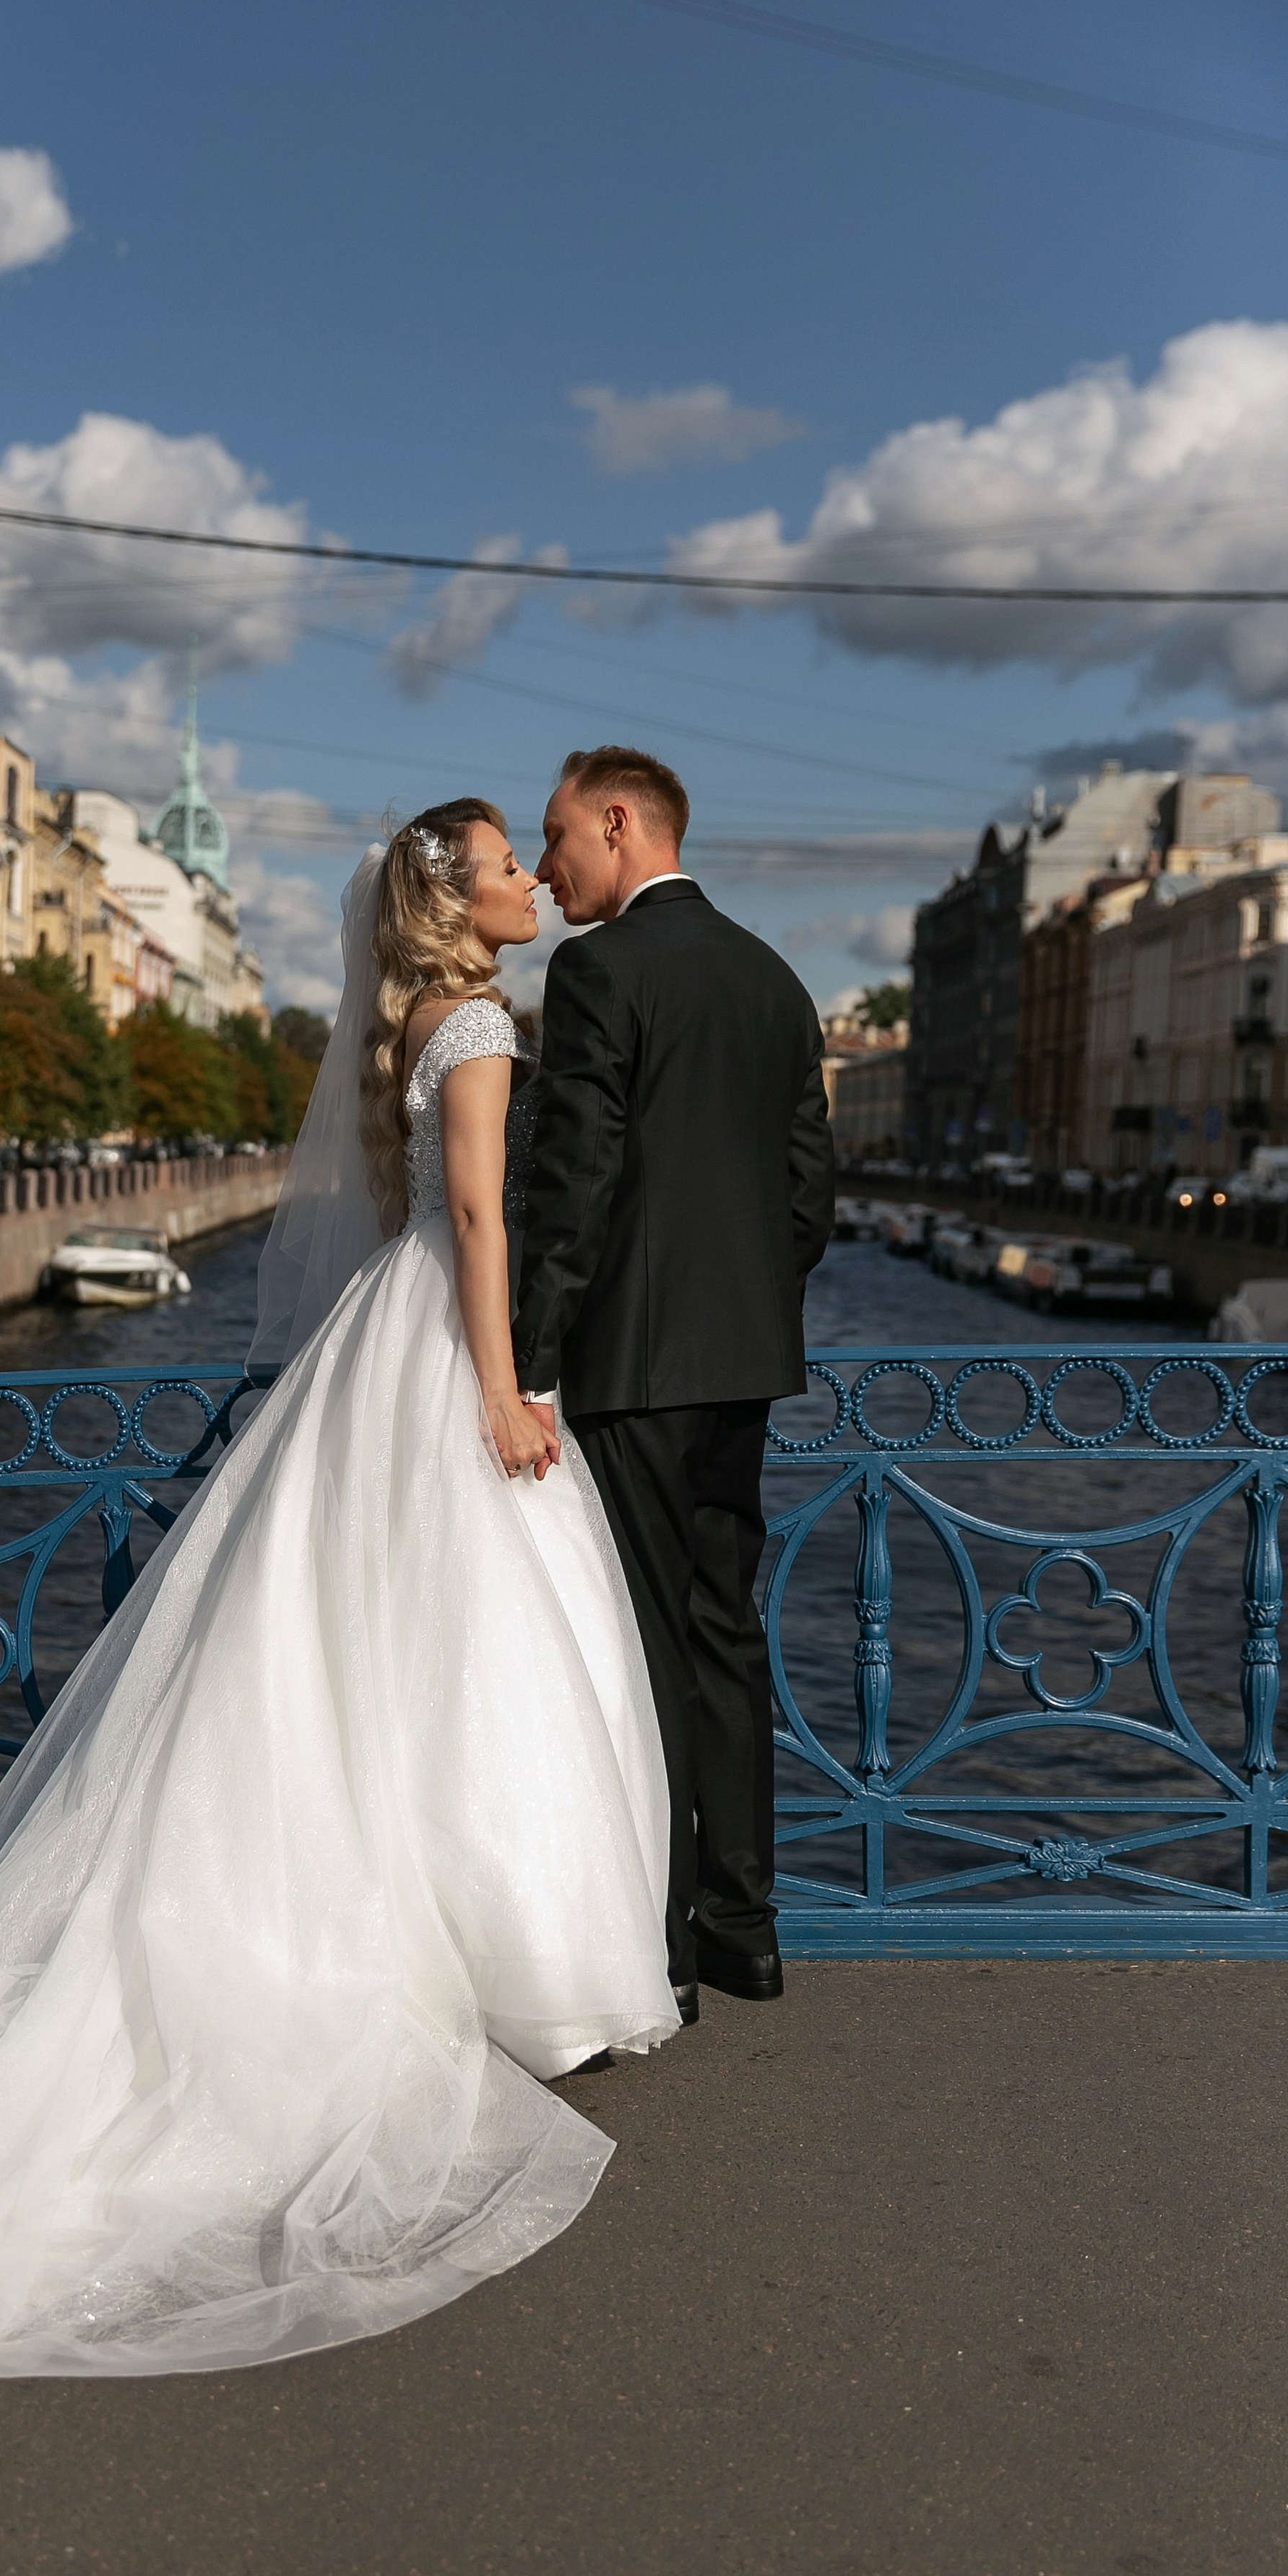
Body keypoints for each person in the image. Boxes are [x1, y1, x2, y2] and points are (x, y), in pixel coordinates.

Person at [0, 800, 680, 2386]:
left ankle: (443, 1939)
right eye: (507, 864)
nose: (528, 880)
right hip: (445, 1337)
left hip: (386, 1336)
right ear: (459, 901)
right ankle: (500, 1962)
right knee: (459, 1643)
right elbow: (472, 1217)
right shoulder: (483, 1028)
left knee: (356, 1643)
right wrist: (505, 1391)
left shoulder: (419, 1021)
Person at [511, 748, 834, 2013]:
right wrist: (742, 1306)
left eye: (556, 837)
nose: (548, 868)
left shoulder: (599, 970)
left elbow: (576, 1183)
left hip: (631, 1366)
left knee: (646, 1647)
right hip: (743, 1365)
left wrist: (531, 1362)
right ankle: (745, 1930)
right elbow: (808, 1198)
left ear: (617, 821)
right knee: (725, 1633)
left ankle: (661, 1951)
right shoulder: (774, 978)